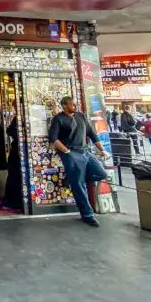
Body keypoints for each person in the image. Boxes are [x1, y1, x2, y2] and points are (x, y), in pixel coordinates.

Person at [49, 96, 110, 227]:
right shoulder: (58, 119)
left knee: (102, 174)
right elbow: (53, 139)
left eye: (74, 104)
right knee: (79, 186)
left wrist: (102, 150)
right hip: (71, 153)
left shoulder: (80, 116)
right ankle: (87, 215)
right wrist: (67, 152)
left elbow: (92, 134)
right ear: (64, 106)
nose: (74, 106)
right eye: (71, 104)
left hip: (85, 151)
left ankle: (72, 178)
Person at [1, 114, 23, 210]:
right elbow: (10, 130)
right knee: (14, 174)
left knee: (15, 174)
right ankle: (12, 199)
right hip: (17, 148)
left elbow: (10, 130)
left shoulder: (19, 116)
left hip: (18, 148)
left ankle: (13, 200)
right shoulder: (18, 116)